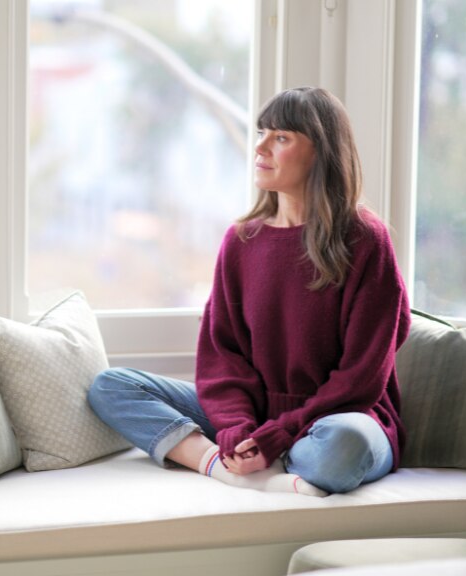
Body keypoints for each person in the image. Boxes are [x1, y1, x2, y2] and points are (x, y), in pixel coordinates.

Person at [88, 87, 410, 495]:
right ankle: (226, 467)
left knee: (345, 448)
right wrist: (238, 429)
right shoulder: (241, 241)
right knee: (112, 386)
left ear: (321, 152)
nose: (260, 147)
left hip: (341, 417)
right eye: (262, 132)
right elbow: (223, 357)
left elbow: (362, 377)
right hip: (254, 416)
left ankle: (274, 461)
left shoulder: (365, 239)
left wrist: (280, 433)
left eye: (281, 137)